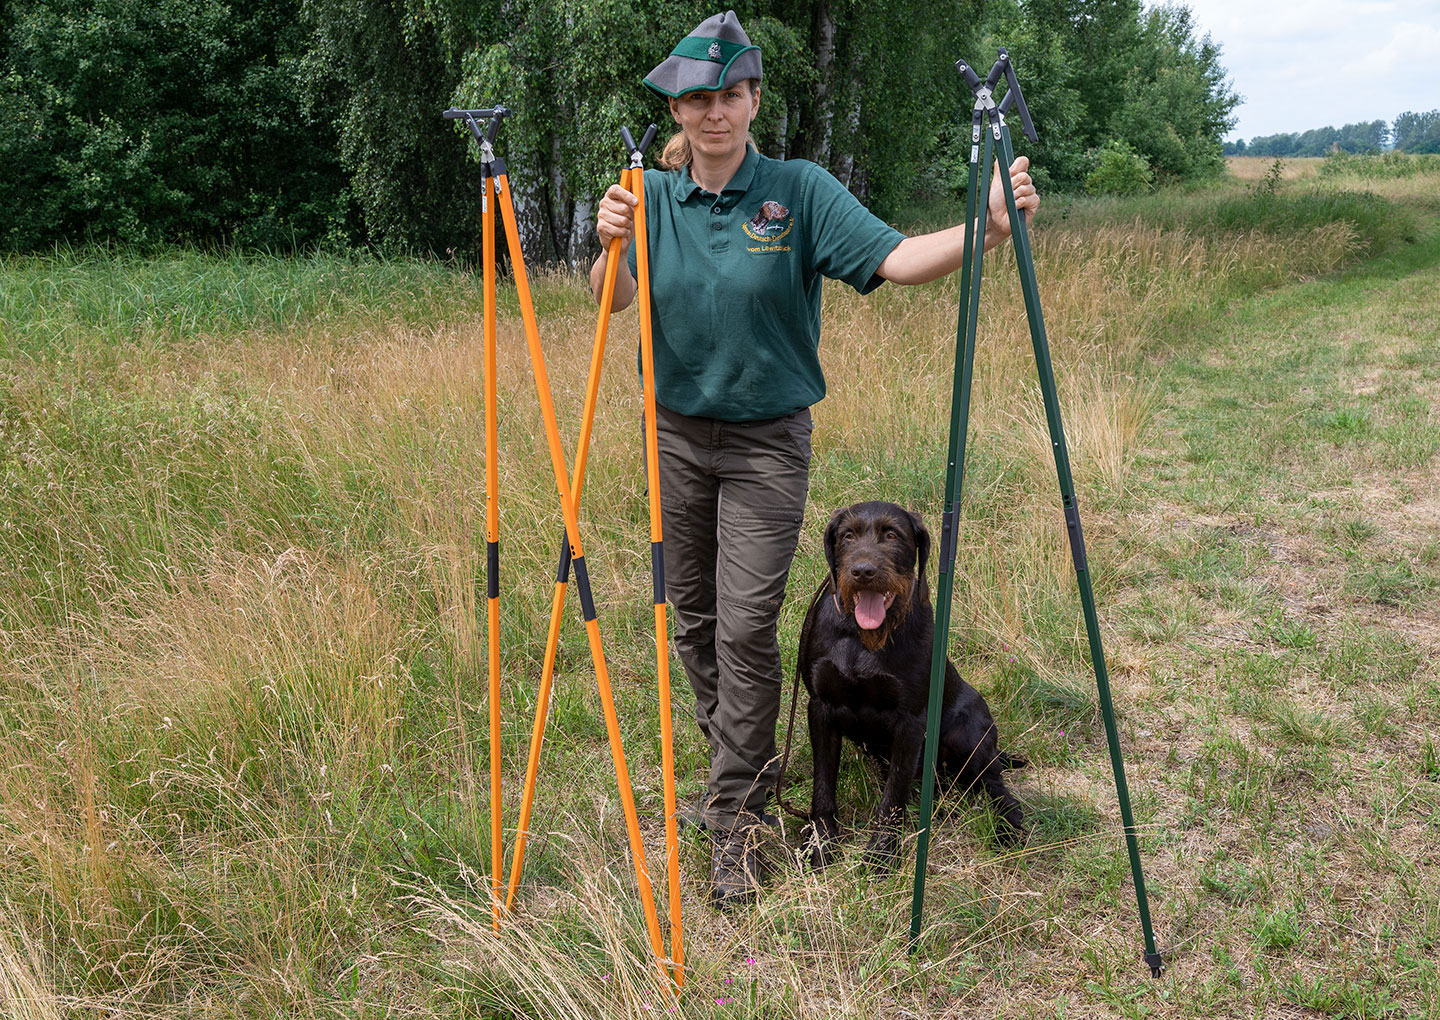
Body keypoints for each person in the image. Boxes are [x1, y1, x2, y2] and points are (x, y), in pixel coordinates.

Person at [590, 10, 1038, 908]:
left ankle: (738, 819)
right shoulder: (649, 193)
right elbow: (611, 301)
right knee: (694, 621)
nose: (715, 112)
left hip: (765, 443)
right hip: (674, 435)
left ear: (755, 99)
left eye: (732, 94)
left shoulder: (795, 190)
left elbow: (899, 258)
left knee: (749, 627)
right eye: (698, 98)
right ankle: (745, 765)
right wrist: (608, 242)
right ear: (678, 110)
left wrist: (984, 226)